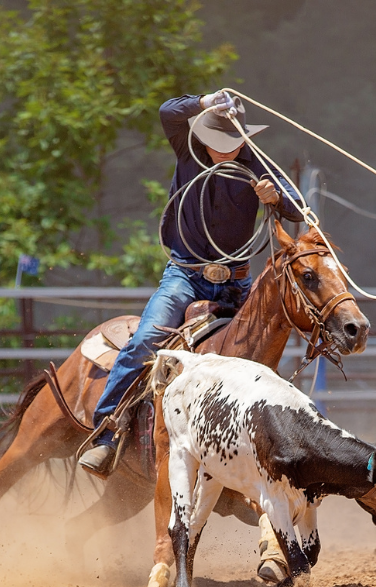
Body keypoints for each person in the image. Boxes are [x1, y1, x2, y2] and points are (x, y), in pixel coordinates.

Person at [79, 90, 304, 476]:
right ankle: (108, 432)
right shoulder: (190, 152)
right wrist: (204, 100)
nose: (223, 152)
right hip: (185, 276)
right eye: (217, 143)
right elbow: (168, 111)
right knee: (146, 338)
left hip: (236, 281)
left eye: (231, 143)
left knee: (265, 354)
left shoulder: (257, 165)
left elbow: (300, 207)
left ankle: (275, 446)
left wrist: (276, 197)